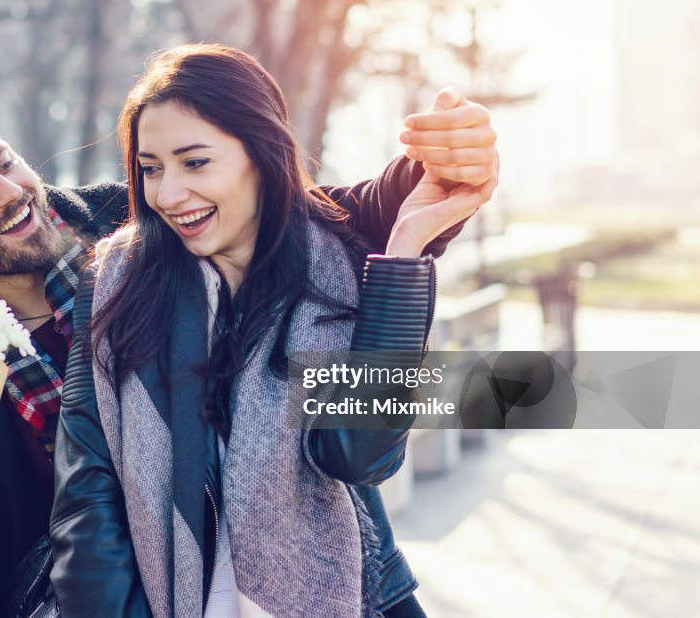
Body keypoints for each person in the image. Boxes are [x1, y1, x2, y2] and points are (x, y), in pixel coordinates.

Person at [0, 68, 496, 617]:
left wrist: (440, 160)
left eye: (2, 161)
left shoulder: (145, 218)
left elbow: (327, 215)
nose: (11, 192)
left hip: (322, 578)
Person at [49, 44, 497, 617]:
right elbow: (89, 490)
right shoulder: (116, 285)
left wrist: (407, 249)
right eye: (151, 168)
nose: (167, 194)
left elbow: (358, 457)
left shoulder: (333, 255)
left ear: (261, 154)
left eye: (195, 162)